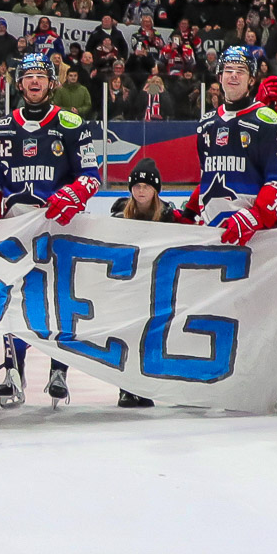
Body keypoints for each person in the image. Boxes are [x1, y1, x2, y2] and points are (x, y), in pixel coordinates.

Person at [0, 52, 101, 407]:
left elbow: (91, 176)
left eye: (40, 76)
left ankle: (59, 370)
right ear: (19, 83)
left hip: (60, 226)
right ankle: (13, 369)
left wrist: (72, 194)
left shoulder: (72, 124)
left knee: (59, 299)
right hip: (16, 228)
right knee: (13, 297)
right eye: (28, 76)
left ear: (52, 83)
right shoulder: (0, 128)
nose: (34, 81)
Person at [185, 47, 277, 244]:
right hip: (211, 233)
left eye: (240, 71)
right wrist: (189, 212)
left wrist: (255, 216)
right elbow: (209, 177)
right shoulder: (206, 123)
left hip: (253, 236)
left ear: (251, 80)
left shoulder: (265, 120)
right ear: (220, 77)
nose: (234, 75)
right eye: (228, 70)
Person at [106, 157, 189, 407]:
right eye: (137, 186)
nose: (141, 191)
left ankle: (144, 387)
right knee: (126, 336)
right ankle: (125, 388)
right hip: (128, 286)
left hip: (158, 287)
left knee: (151, 338)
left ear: (156, 190)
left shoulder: (169, 216)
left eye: (146, 186)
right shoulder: (119, 214)